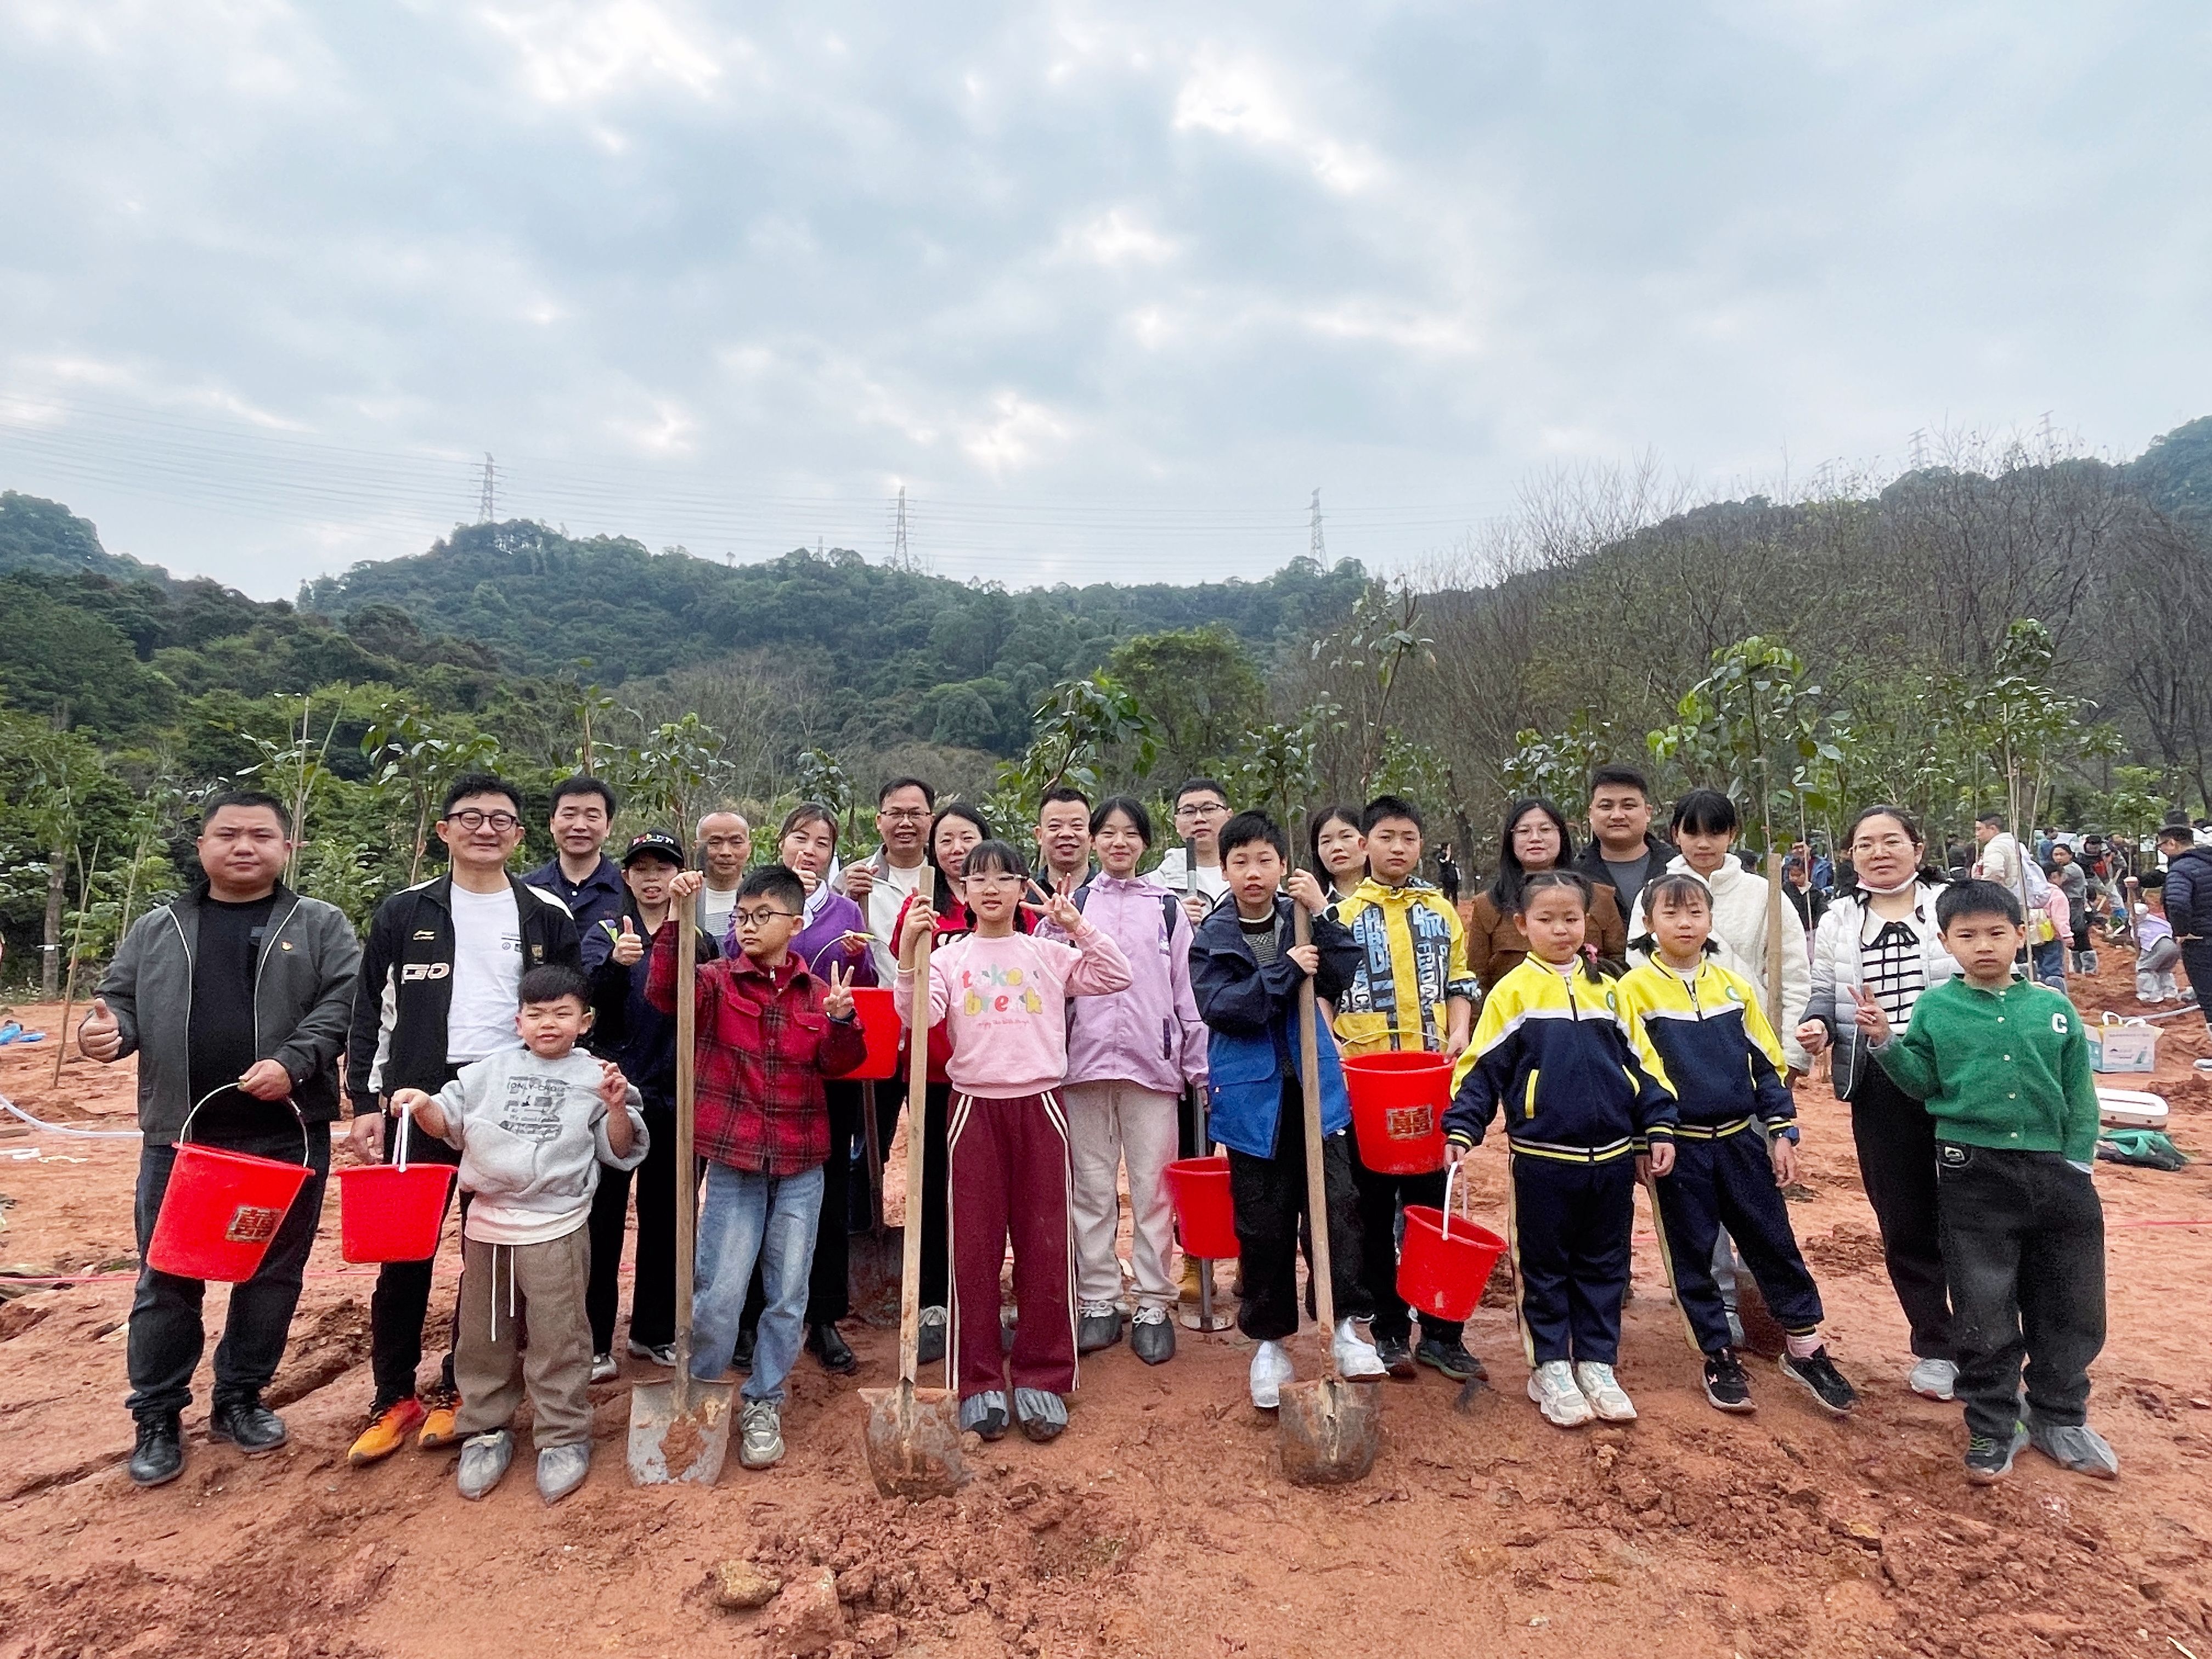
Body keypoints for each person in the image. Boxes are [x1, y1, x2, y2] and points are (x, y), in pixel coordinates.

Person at [81, 791, 360, 1488]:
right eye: (227, 834)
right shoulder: (157, 929)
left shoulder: (319, 924)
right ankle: (157, 1413)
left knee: (271, 1276)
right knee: (168, 1277)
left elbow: (345, 1002)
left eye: (261, 835)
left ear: (286, 848)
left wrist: (294, 1063)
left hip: (285, 1137)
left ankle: (240, 1396)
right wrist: (106, 1032)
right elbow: (119, 1002)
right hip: (181, 1139)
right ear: (202, 846)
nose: (244, 846)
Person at [344, 774, 584, 1465]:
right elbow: (372, 1012)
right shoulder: (403, 911)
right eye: (470, 817)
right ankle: (393, 1397)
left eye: (501, 819)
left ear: (518, 835)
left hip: (509, 1104)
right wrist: (367, 1103)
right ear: (443, 831)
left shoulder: (545, 916)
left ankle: (464, 1391)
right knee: (406, 1250)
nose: (486, 828)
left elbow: (564, 1011)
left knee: (491, 1253)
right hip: (417, 1101)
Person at [1851, 880, 2115, 1482]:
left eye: (1997, 933)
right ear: (1945, 943)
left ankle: (2060, 1415)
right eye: (1967, 936)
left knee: (2070, 1299)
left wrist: (2077, 1161)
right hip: (1973, 1172)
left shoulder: (2053, 1006)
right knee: (1983, 1304)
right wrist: (1885, 1043)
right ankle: (1995, 1424)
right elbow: (1920, 1083)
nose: (1984, 946)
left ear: (2022, 935)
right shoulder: (1935, 1008)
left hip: (2059, 1173)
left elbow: (2079, 1091)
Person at [894, 840, 1132, 1443]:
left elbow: (1116, 974)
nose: (992, 889)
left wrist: (1076, 923)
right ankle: (976, 1381)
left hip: (1041, 1107)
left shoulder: (1046, 953)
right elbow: (917, 1016)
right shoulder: (949, 957)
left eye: (1006, 877)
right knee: (972, 1250)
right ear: (963, 893)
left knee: (1045, 1243)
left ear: (1023, 888)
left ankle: (1042, 1376)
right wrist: (908, 951)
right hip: (973, 1107)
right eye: (979, 879)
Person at [390, 964, 646, 1504]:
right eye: (535, 1014)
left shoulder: (598, 1076)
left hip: (556, 1227)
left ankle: (563, 1436)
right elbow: (448, 1122)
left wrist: (617, 1106)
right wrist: (422, 1103)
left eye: (560, 1013)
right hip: (487, 1227)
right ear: (518, 1021)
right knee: (483, 1339)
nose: (547, 1024)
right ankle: (485, 1430)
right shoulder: (488, 1072)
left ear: (585, 1020)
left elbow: (620, 1151)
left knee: (559, 1339)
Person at [1616, 873, 1857, 1417]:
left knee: (1772, 1238)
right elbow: (1634, 1073)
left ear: (1709, 920)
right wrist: (1643, 1140)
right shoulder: (1633, 992)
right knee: (1694, 1252)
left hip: (1741, 1142)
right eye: (1671, 914)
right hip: (1678, 1149)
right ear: (1649, 924)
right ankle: (1717, 1353)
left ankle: (1804, 1344)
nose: (1685, 923)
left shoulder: (1733, 986)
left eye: (1695, 912)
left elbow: (1767, 1067)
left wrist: (1781, 1132)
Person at [649, 863, 865, 1468]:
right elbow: (665, 996)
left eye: (762, 916)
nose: (748, 926)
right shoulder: (714, 983)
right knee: (719, 1292)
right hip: (736, 1163)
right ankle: (704, 1391)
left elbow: (841, 1064)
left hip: (801, 1165)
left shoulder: (819, 995)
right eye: (741, 916)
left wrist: (844, 1022)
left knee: (788, 1294)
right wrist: (675, 918)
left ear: (795, 924)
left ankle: (765, 1399)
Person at [1446, 870, 1675, 1429]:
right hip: (1543, 1160)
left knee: (1605, 1264)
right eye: (1546, 920)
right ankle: (1549, 1364)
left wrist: (1659, 1126)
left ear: (1586, 924)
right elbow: (1481, 1069)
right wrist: (1462, 1128)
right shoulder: (1513, 993)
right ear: (1523, 926)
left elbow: (1644, 1064)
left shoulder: (1608, 989)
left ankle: (1597, 1362)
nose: (1561, 930)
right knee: (1544, 1268)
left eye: (1571, 919)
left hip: (1614, 1161)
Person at [1190, 810, 1386, 1408]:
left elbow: (1344, 969)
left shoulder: (1299, 917)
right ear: (1223, 869)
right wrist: (1283, 972)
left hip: (1315, 1093)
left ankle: (1346, 1323)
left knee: (1337, 1210)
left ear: (1283, 865)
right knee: (1263, 1224)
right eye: (1240, 861)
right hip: (1255, 1106)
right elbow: (1227, 1009)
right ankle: (1271, 1340)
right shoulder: (1214, 937)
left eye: (1265, 860)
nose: (1254, 873)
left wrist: (1323, 914)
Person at [1796, 805, 1961, 1400]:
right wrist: (1819, 1026)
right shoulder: (1839, 917)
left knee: (1970, 1216)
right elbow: (1823, 991)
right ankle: (1936, 1344)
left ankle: (1986, 1342)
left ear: (1919, 847)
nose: (1879, 852)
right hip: (1879, 1083)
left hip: (1955, 1082)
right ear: (1850, 855)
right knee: (1904, 1216)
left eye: (1892, 840)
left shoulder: (1953, 904)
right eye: (1865, 844)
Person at [1043, 797, 1208, 1365]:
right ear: (1093, 842)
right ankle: (1098, 1301)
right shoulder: (1072, 904)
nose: (1118, 843)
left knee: (1153, 1191)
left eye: (1130, 834)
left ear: (1144, 844)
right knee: (1089, 1190)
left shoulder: (1167, 909)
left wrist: (1196, 1062)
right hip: (1082, 1068)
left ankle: (1153, 1304)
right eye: (1108, 833)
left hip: (1151, 1070)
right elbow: (1050, 987)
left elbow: (1186, 991)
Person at [1329, 794, 1484, 1384]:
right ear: (1364, 845)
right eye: (1386, 837)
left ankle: (1442, 1333)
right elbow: (1322, 994)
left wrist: (1461, 1028)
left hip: (1429, 1083)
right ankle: (1390, 1330)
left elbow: (1460, 979)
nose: (1398, 848)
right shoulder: (1341, 917)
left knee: (1430, 1209)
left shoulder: (1440, 910)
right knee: (1369, 1212)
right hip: (1366, 1090)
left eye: (1409, 838)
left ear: (1422, 845)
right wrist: (1334, 1044)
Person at [733, 804, 879, 1376]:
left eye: (823, 842)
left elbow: (859, 994)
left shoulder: (845, 910)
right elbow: (735, 960)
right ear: (783, 842)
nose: (811, 850)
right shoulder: (760, 895)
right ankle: (748, 1317)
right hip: (762, 1070)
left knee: (826, 1194)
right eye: (801, 838)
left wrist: (858, 960)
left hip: (826, 1071)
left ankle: (822, 1318)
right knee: (753, 1193)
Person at [585, 831, 718, 1381]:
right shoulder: (605, 933)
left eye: (662, 867)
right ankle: (595, 1339)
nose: (651, 877)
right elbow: (587, 1001)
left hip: (678, 1094)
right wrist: (616, 965)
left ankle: (654, 1332)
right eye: (640, 868)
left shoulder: (700, 939)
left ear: (679, 876)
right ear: (627, 877)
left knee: (669, 1217)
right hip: (617, 1093)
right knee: (604, 1216)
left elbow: (711, 1007)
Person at [885, 801, 993, 1362]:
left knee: (984, 1186)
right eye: (946, 839)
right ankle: (932, 1301)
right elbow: (904, 976)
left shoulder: (1005, 907)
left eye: (966, 838)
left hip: (994, 1073)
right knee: (931, 1185)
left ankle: (982, 1294)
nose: (955, 849)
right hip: (932, 1070)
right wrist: (912, 934)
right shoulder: (922, 905)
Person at [1466, 798, 1627, 992]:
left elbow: (1619, 965)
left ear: (1562, 836)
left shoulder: (1600, 897)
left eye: (1545, 829)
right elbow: (1477, 978)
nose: (1535, 838)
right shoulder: (1488, 905)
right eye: (1524, 831)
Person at [839, 777, 935, 984]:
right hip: (875, 1003)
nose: (906, 823)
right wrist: (849, 900)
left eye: (916, 814)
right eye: (896, 814)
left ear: (931, 821)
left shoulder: (946, 877)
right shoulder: (853, 877)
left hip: (937, 1004)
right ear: (879, 822)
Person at [526, 777, 627, 970]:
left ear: (608, 826)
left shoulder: (629, 891)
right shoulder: (527, 889)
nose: (580, 826)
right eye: (569, 815)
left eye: (592, 816)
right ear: (552, 823)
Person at [1576, 764, 1672, 922]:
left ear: (1648, 813)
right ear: (1591, 814)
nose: (1617, 815)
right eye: (1606, 806)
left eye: (1628, 806)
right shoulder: (1576, 876)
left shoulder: (1676, 868)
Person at [2159, 824, 2212, 1069]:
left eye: (2161, 845)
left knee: (2209, 995)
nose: (2162, 850)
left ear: (2173, 843)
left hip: (2202, 941)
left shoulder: (2181, 869)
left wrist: (2182, 932)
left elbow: (2178, 904)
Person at [1152, 777, 1234, 926]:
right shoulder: (1156, 886)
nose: (1199, 819)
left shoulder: (1252, 874)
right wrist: (1171, 917)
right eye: (1188, 812)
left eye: (1209, 809)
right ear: (1176, 822)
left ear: (1229, 816)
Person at [693, 807, 754, 943]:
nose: (726, 852)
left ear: (749, 849)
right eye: (715, 843)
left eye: (736, 843)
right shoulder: (685, 898)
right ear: (698, 848)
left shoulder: (762, 897)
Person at [1035, 786, 1094, 894]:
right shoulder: (1023, 895)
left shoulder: (1110, 892)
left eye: (1077, 826)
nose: (1066, 834)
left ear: (1092, 835)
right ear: (1039, 835)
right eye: (1055, 826)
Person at [1307, 804, 1367, 905]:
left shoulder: (1392, 896)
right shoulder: (1308, 900)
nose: (1336, 848)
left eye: (1346, 836)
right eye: (1326, 841)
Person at [2134, 873, 2180, 1003]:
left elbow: (2144, 944)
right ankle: (2170, 992)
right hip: (2173, 946)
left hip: (2159, 946)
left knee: (2145, 968)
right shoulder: (2156, 920)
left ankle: (2151, 995)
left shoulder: (2141, 927)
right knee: (2164, 969)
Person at [2048, 842, 2093, 974]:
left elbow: (2056, 879)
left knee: (2079, 934)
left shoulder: (2070, 870)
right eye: (2056, 855)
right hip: (2068, 904)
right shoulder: (2063, 869)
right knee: (2075, 934)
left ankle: (2090, 969)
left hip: (2075, 904)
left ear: (2070, 856)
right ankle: (2077, 969)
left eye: (2062, 854)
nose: (2059, 858)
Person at [2030, 867, 2070, 991]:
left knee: (2039, 966)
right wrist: (2067, 935)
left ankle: (2041, 992)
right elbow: (2059, 918)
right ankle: (2056, 995)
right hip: (2052, 936)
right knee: (2053, 968)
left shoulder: (2031, 892)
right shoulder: (2057, 895)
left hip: (2033, 936)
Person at [1971, 811, 2023, 895]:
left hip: (2004, 896)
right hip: (2021, 895)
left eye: (1979, 829)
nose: (1977, 834)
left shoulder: (1994, 847)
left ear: (1993, 829)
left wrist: (1984, 892)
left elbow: (1994, 871)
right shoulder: (2018, 845)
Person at [1782, 856, 1828, 944]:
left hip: (1811, 933)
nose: (1795, 879)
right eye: (1792, 875)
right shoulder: (1786, 890)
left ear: (1807, 873)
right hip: (1792, 932)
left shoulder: (1815, 893)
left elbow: (1822, 911)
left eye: (1799, 875)